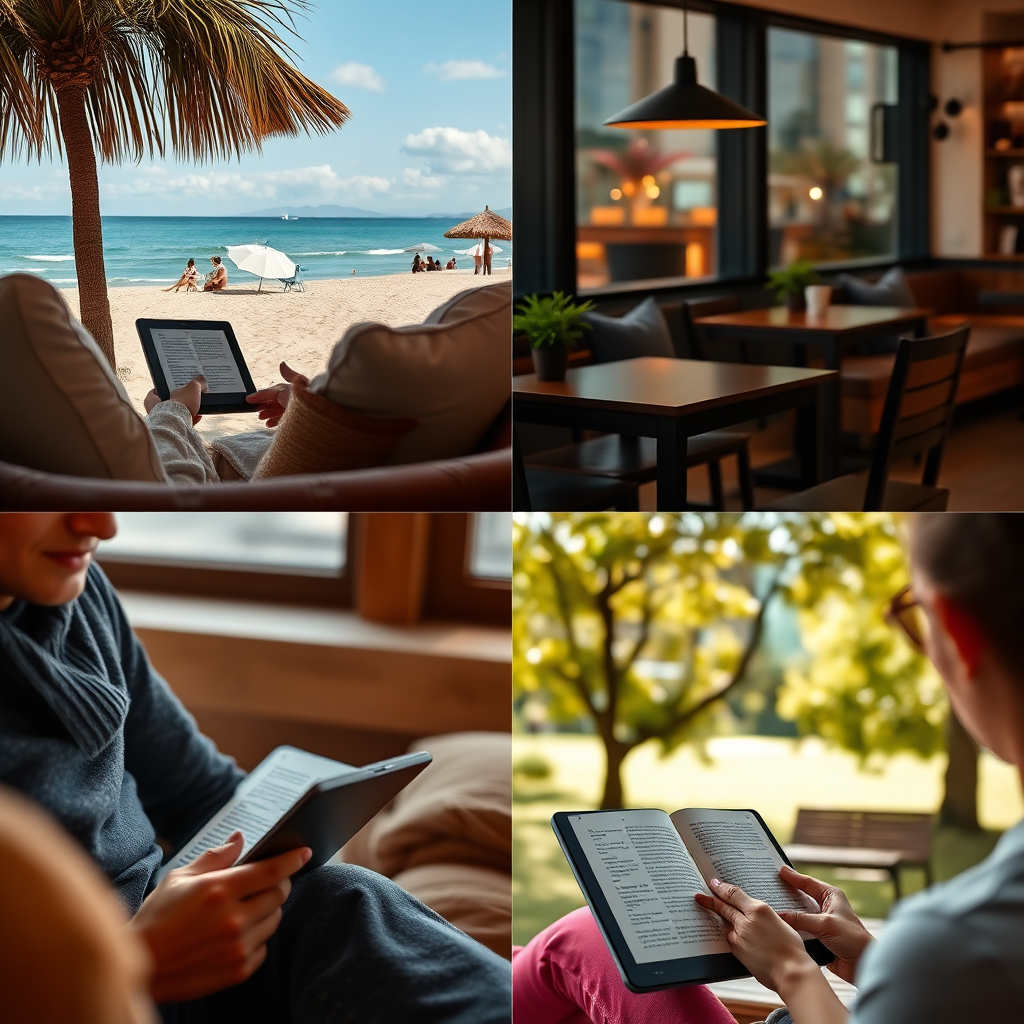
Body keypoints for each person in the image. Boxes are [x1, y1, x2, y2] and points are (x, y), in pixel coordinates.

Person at [0, 513, 511, 1024]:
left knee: (335, 901)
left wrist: (281, 845)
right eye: (42, 492)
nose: (103, 525)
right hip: (92, 993)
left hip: (172, 937)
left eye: (94, 487)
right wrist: (138, 962)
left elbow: (201, 792)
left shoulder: (75, 592)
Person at [513, 514, 1024, 1024]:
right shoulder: (961, 946)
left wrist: (791, 968)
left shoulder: (955, 943)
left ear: (956, 631)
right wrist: (868, 958)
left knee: (578, 941)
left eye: (914, 611)